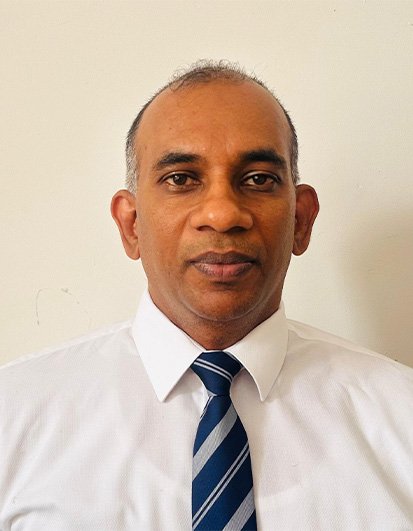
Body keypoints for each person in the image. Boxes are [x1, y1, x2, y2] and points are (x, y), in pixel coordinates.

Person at [0, 61, 412, 530]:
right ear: (131, 225)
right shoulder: (13, 416)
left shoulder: (401, 417)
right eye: (180, 178)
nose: (222, 214)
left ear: (301, 220)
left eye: (258, 178)